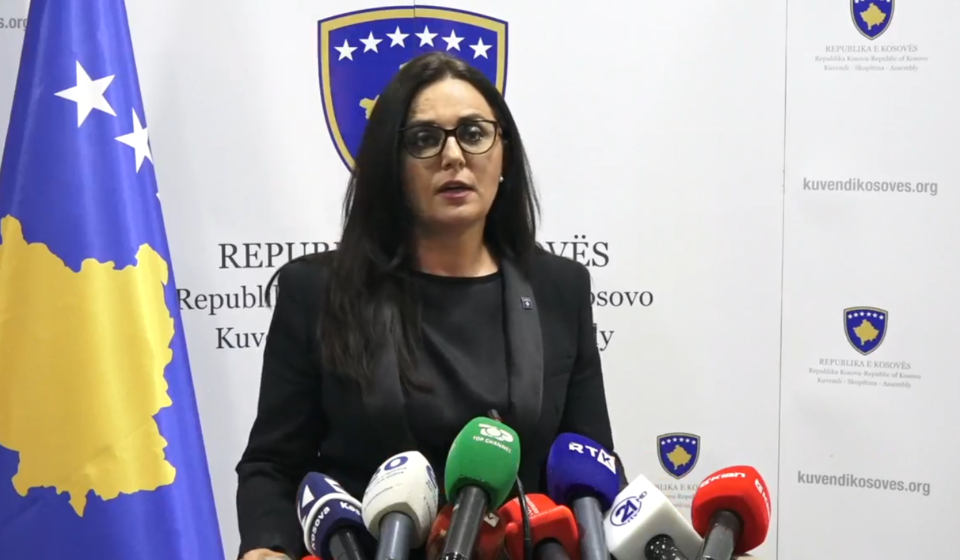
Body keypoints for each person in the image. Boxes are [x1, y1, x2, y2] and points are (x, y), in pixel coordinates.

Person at [236, 51, 625, 560]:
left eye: (474, 133)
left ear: (504, 154)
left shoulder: (560, 288)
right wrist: (267, 547)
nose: (454, 156)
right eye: (424, 139)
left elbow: (593, 463)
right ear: (391, 166)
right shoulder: (317, 291)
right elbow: (272, 465)